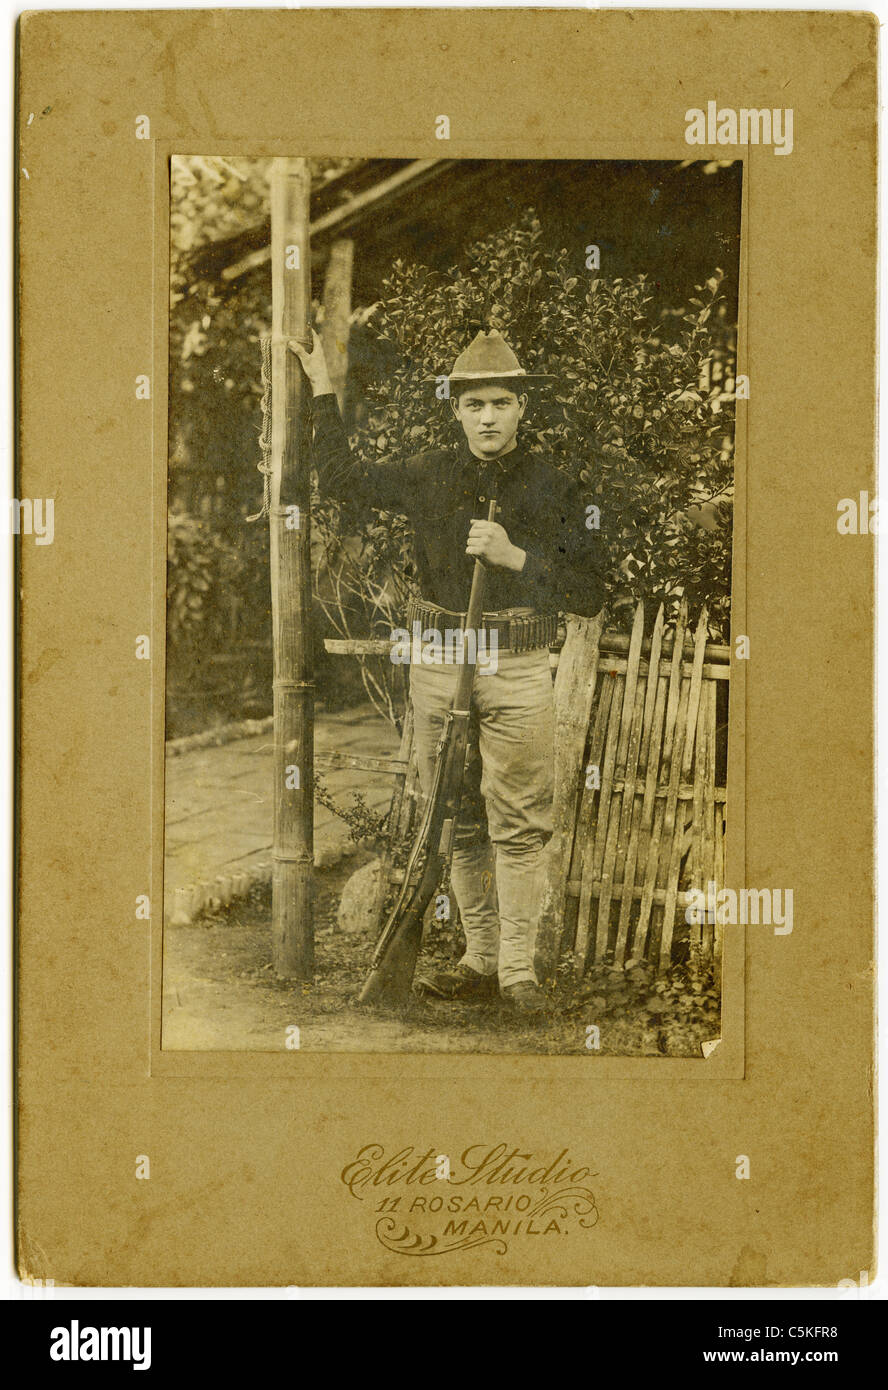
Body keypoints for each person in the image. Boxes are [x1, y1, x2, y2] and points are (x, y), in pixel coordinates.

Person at [291, 326, 605, 1013]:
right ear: (454, 411)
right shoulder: (428, 471)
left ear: (522, 405)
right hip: (437, 663)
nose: (487, 417)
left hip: (516, 664)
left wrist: (517, 559)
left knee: (519, 822)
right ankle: (478, 956)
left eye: (500, 402)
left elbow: (590, 589)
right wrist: (322, 387)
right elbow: (342, 478)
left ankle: (517, 972)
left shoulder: (555, 485)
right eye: (473, 405)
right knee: (453, 816)